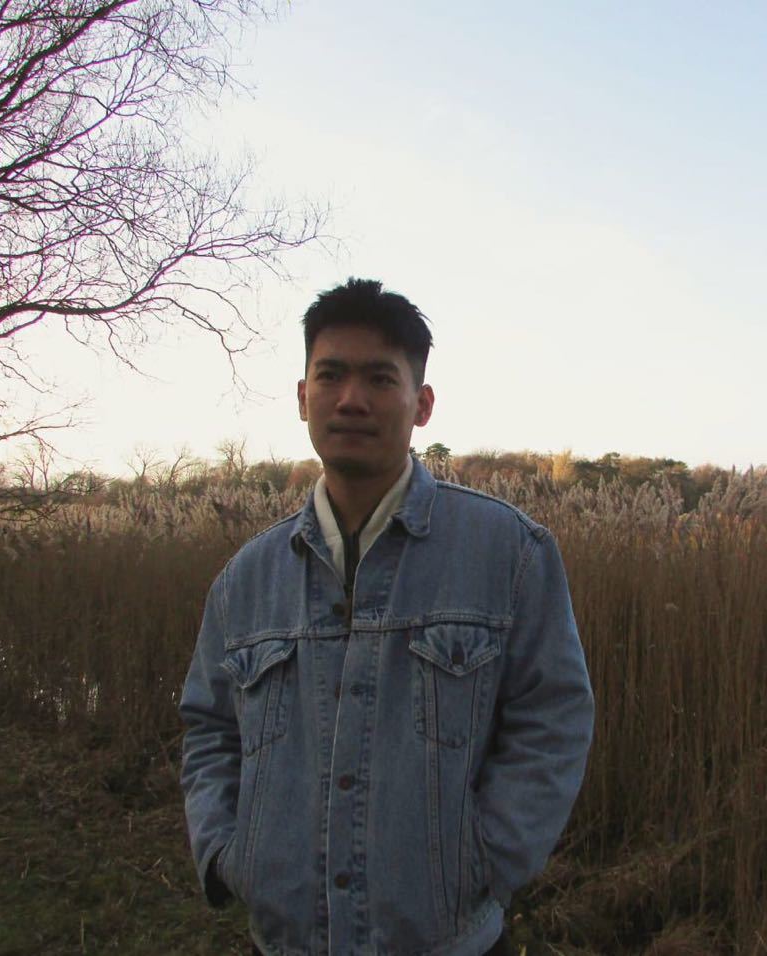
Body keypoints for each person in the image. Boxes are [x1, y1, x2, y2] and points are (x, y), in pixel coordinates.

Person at [179, 278, 594, 956]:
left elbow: (553, 718)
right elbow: (208, 727)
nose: (351, 399)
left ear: (421, 404)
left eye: (380, 378)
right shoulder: (245, 580)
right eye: (331, 375)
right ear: (302, 396)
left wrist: (484, 860)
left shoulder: (509, 552)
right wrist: (229, 851)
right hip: (283, 941)